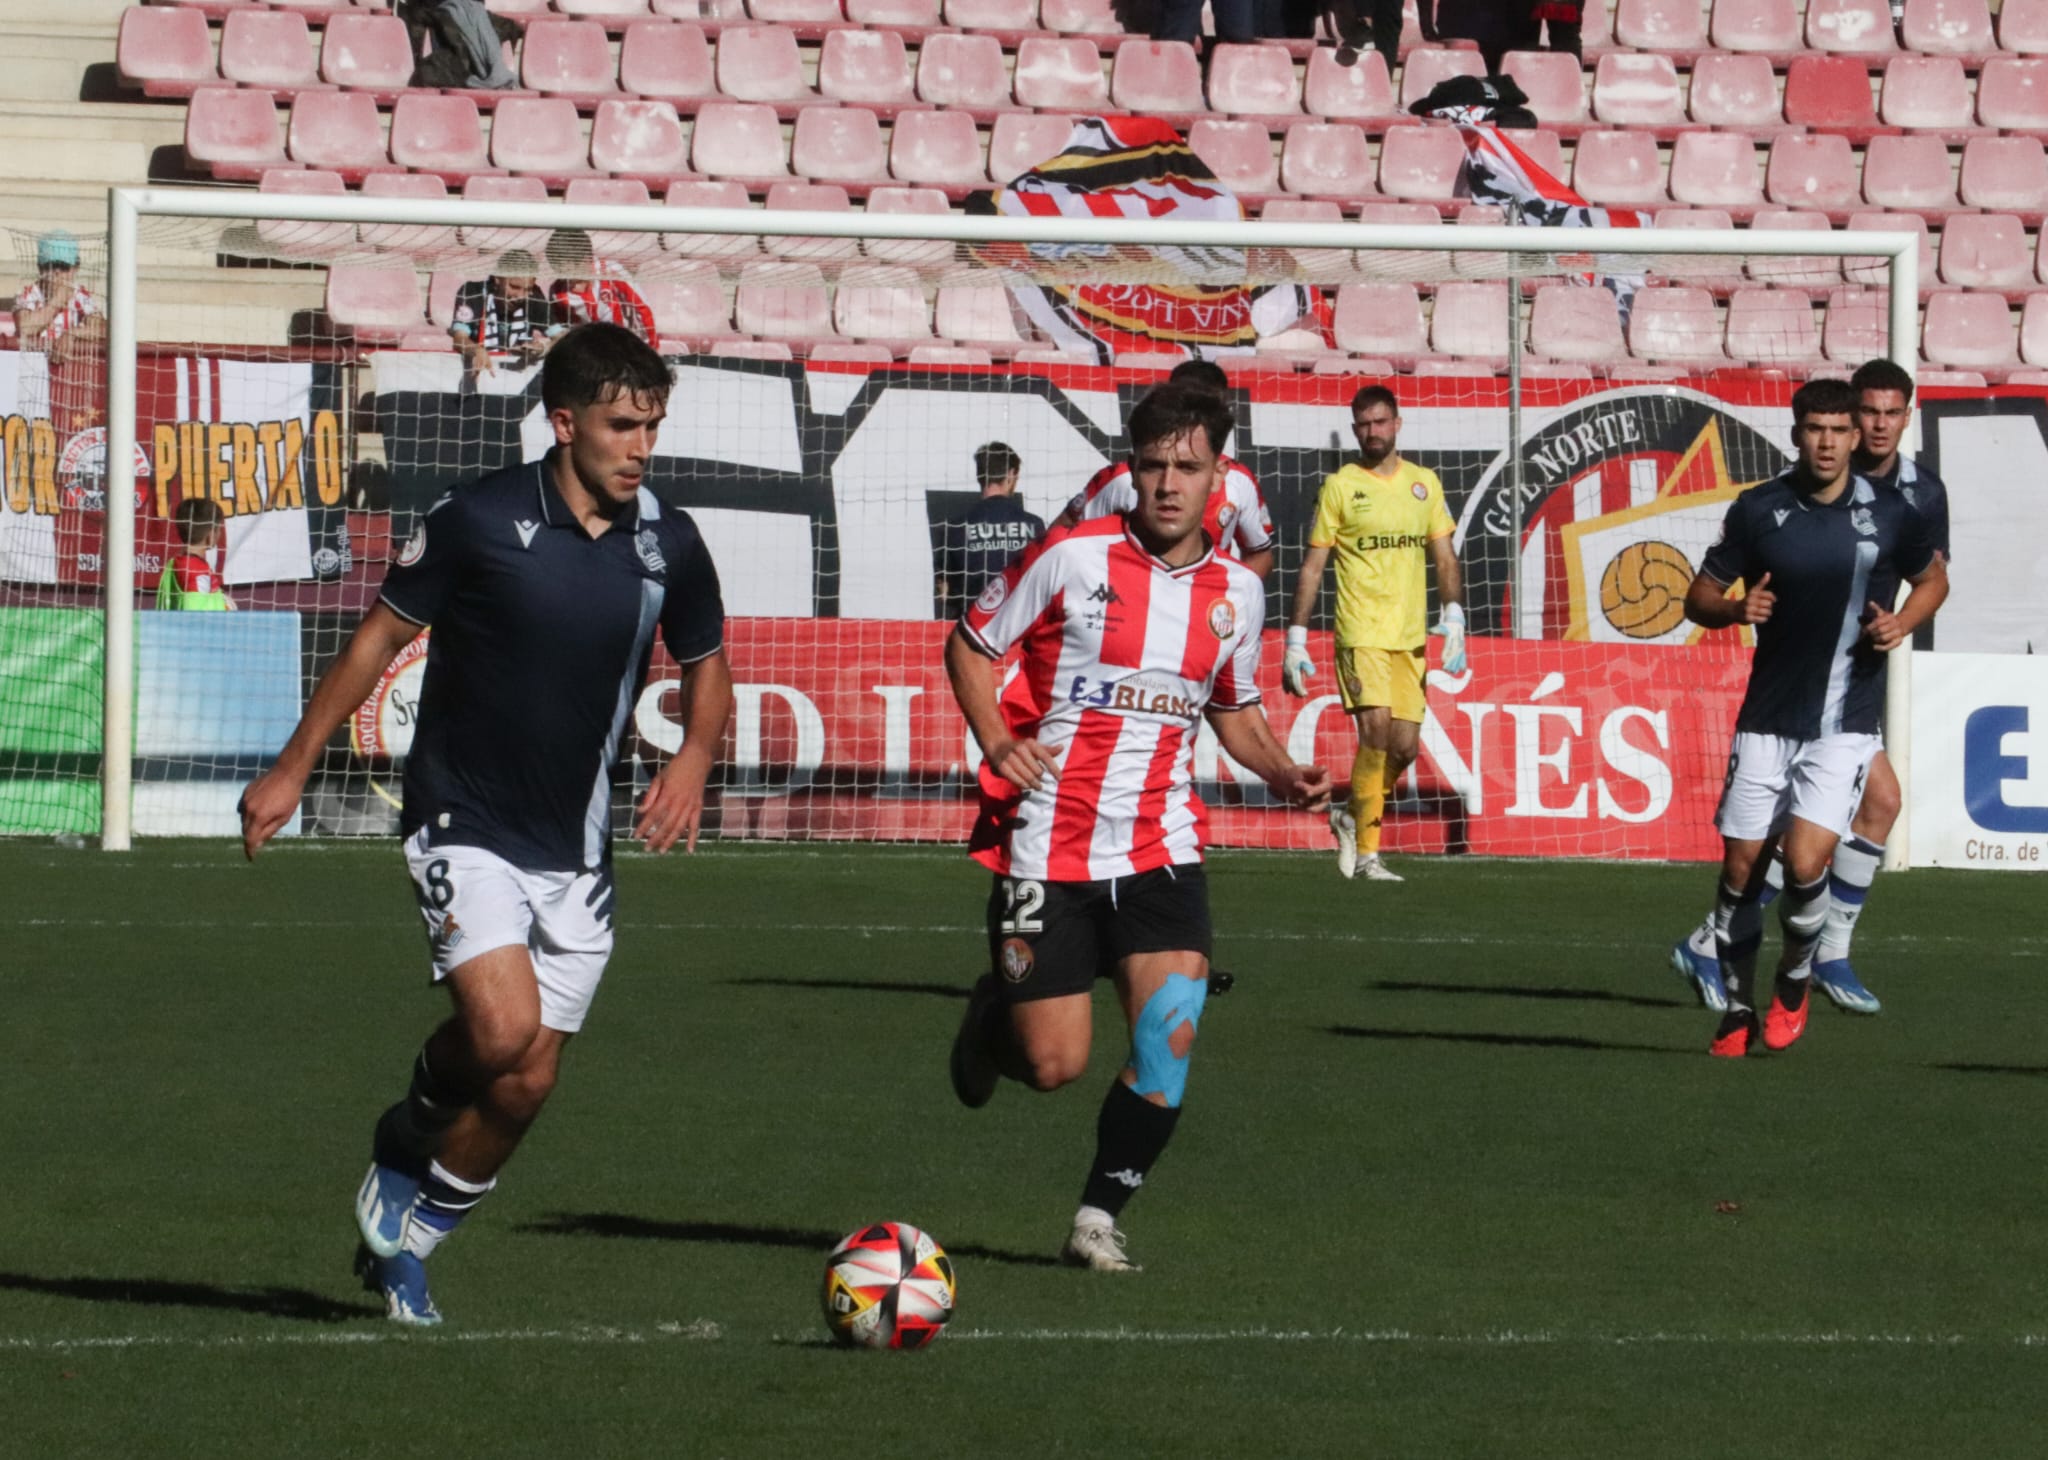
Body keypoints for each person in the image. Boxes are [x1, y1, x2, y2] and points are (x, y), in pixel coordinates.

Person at [238, 323, 733, 1324]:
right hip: (462, 814)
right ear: (563, 422)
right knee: (499, 1029)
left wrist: (691, 754)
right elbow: (379, 633)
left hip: (577, 849)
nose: (641, 446)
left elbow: (709, 661)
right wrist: (292, 766)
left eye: (653, 426)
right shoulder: (477, 516)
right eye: (622, 425)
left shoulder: (666, 540)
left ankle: (411, 1249)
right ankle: (407, 1126)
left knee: (524, 1082)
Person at [944, 384, 1331, 1273]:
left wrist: (1283, 771)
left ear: (1219, 477)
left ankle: (1096, 1218)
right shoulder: (1071, 558)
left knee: (1172, 1031)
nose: (1166, 484)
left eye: (1186, 468)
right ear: (1131, 467)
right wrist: (998, 738)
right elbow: (970, 644)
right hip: (1051, 841)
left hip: (1162, 846)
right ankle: (989, 1018)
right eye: (1151, 465)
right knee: (1053, 1065)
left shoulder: (1237, 592)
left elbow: (1234, 711)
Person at [1667, 358, 1953, 1017]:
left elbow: (1932, 576)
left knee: (1849, 825)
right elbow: (1701, 595)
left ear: (1895, 422)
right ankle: (1733, 945)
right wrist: (1735, 611)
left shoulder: (1911, 503)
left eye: (1881, 417)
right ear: (1800, 433)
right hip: (1776, 705)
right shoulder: (1764, 509)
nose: (1859, 431)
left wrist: (1902, 621)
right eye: (1822, 427)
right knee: (1769, 852)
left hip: (1849, 701)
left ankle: (1813, 960)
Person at [1281, 385, 1465, 884]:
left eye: (1381, 422)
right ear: (1355, 427)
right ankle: (1367, 856)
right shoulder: (1341, 486)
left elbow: (1444, 556)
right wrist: (1295, 638)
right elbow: (1314, 566)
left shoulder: (1424, 484)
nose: (1372, 432)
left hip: (1409, 636)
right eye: (1363, 424)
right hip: (1360, 632)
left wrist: (1454, 615)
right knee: (1377, 732)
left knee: (1404, 748)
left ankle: (1350, 813)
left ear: (1398, 423)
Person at [1051, 360, 1277, 581]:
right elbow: (1059, 534)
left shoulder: (1240, 480)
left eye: (1205, 405)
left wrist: (1226, 595)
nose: (1168, 485)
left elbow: (1260, 554)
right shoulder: (1120, 478)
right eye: (1185, 401)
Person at [934, 442, 1044, 621]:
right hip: (1020, 626)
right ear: (1011, 474)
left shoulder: (955, 527)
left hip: (974, 627)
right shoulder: (1034, 525)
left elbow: (944, 588)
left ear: (979, 475)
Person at [547, 230, 659, 354]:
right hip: (589, 351)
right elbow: (562, 327)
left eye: (567, 270)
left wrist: (652, 347)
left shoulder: (610, 271)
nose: (564, 276)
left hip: (624, 344)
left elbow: (641, 307)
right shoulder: (557, 291)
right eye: (559, 270)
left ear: (586, 258)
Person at [450, 250, 556, 376]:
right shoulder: (473, 292)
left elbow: (561, 336)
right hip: (479, 372)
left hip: (517, 375)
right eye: (514, 287)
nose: (521, 296)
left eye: (527, 289)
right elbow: (459, 338)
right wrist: (476, 350)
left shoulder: (534, 296)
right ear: (498, 279)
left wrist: (543, 348)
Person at [156, 498, 234, 611]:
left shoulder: (175, 563)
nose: (220, 534)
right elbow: (195, 613)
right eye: (219, 529)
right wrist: (224, 608)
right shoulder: (195, 570)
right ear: (211, 535)